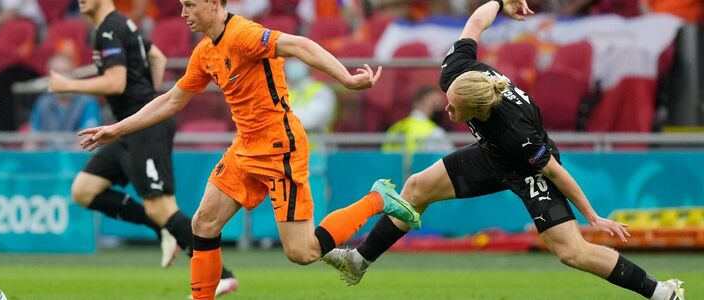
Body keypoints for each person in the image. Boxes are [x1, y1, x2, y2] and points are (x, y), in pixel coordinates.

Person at [323, 1, 686, 299]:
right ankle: (359, 260)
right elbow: (475, 23)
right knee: (417, 188)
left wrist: (592, 217)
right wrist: (500, 1)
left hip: (527, 168)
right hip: (490, 152)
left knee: (571, 252)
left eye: (454, 110)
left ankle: (662, 293)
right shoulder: (458, 72)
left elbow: (555, 172)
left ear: (480, 112)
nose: (447, 112)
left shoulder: (516, 132)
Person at [76, 0, 422, 299]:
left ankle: (378, 198)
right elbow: (172, 99)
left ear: (214, 3)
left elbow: (299, 44)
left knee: (302, 252)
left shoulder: (244, 34)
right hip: (244, 147)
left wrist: (345, 77)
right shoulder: (206, 51)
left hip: (279, 147)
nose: (183, 13)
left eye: (190, 5)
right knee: (204, 222)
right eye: (181, 6)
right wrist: (116, 128)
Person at [47, 0, 238, 296]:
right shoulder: (123, 25)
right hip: (127, 128)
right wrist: (148, 100)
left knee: (162, 207)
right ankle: (163, 229)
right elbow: (157, 56)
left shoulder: (109, 29)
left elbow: (115, 82)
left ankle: (221, 276)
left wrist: (68, 84)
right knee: (84, 190)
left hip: (144, 129)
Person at [28, 54, 101, 150]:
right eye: (56, 72)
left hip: (77, 161)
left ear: (74, 74)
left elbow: (86, 141)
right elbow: (32, 140)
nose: (61, 77)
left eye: (66, 71)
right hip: (48, 160)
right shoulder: (43, 102)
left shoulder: (88, 102)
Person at [382, 86, 454, 153]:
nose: (440, 108)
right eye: (435, 103)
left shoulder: (395, 128)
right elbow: (451, 159)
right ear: (418, 103)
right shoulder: (435, 132)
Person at [285, 58, 336, 134]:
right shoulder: (282, 89)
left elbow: (309, 121)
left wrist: (281, 116)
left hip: (315, 145)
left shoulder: (321, 90)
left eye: (298, 59)